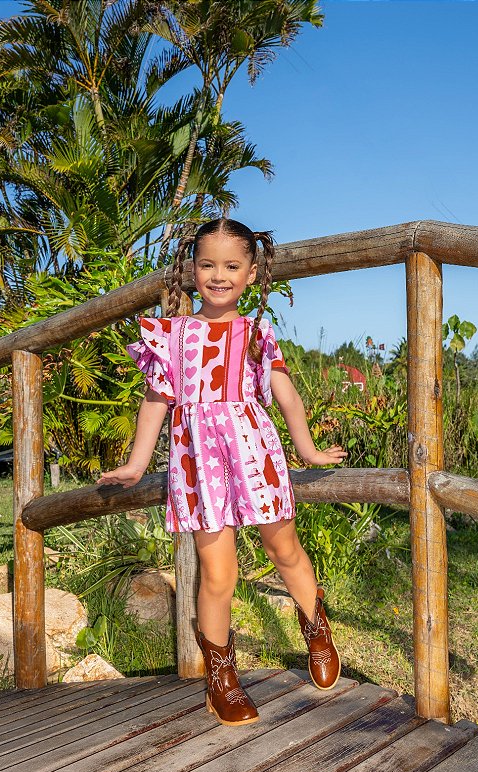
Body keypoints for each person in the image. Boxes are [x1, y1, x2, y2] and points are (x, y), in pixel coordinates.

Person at [97, 218, 348, 727]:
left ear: (251, 273)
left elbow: (285, 393)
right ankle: (222, 677)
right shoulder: (173, 334)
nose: (218, 275)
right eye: (207, 264)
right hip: (197, 465)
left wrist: (309, 450)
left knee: (284, 549)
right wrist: (137, 461)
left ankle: (315, 624)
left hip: (254, 453)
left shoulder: (257, 332)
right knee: (219, 574)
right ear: (192, 271)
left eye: (232, 266)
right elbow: (157, 400)